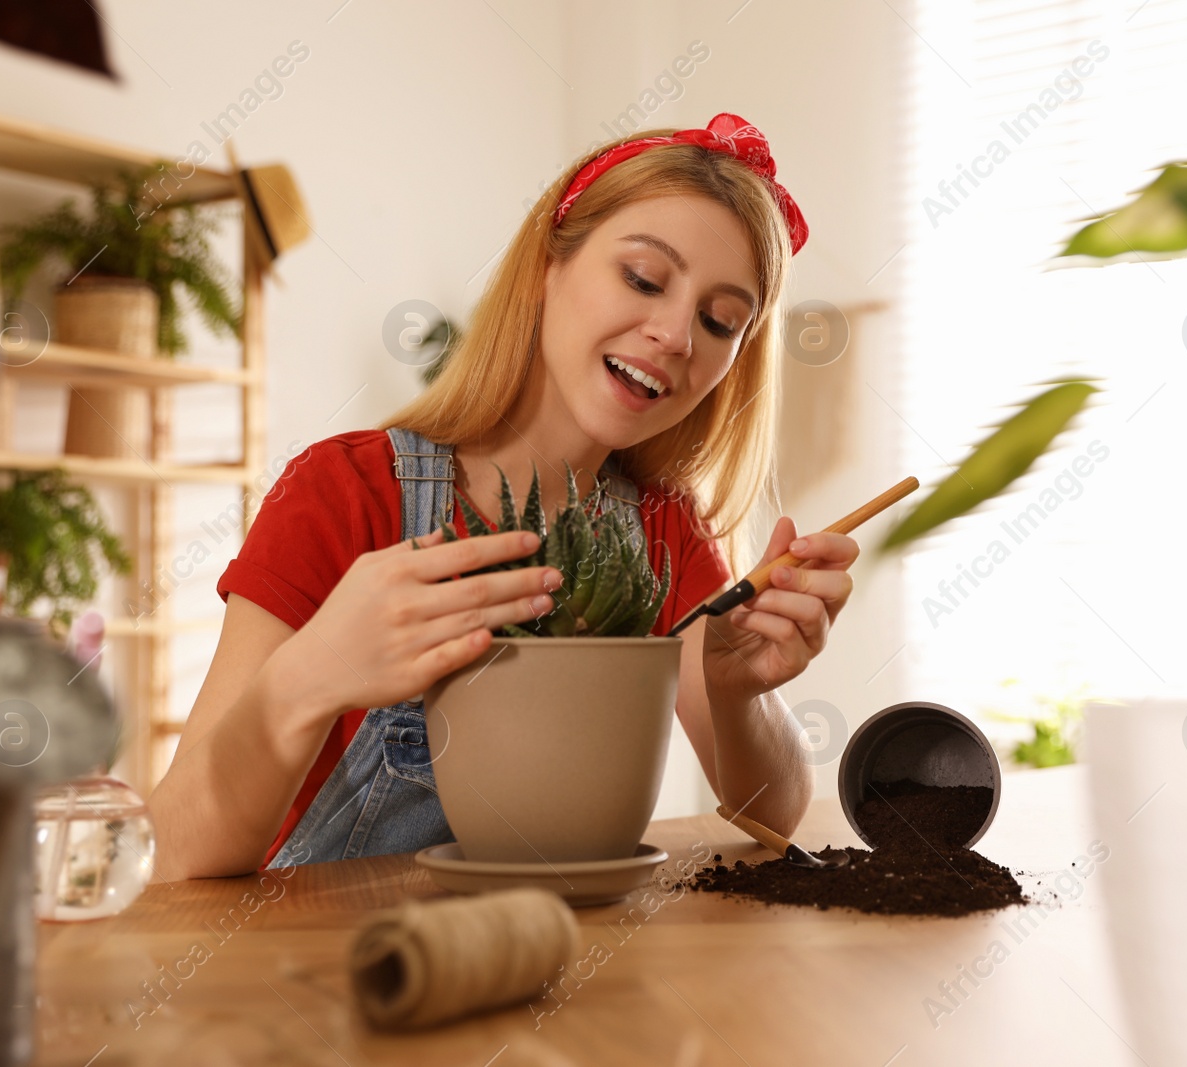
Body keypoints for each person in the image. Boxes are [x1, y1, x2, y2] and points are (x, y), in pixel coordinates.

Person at [149, 113, 861, 879]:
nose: (676, 334)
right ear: (547, 267)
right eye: (644, 279)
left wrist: (740, 692)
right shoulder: (345, 490)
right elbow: (175, 850)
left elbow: (772, 811)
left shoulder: (662, 530)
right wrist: (309, 675)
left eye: (720, 321)